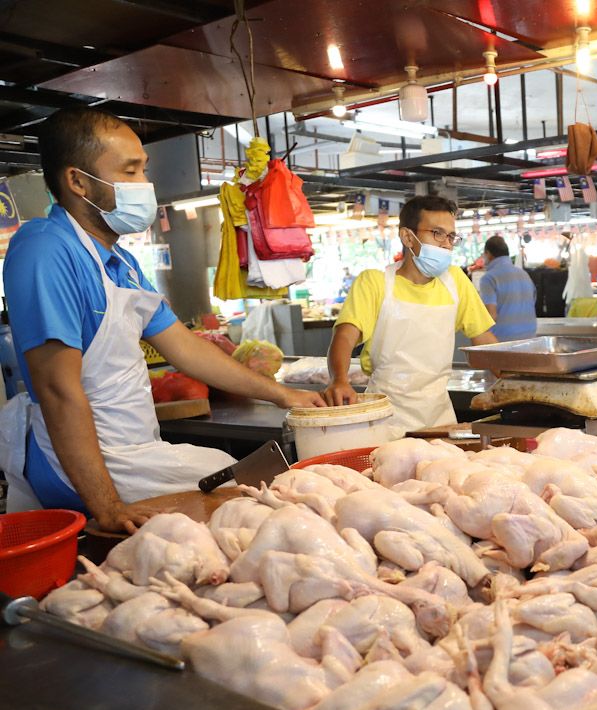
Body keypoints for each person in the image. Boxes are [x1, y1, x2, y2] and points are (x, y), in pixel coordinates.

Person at [0, 107, 322, 532]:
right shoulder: (45, 249)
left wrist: (281, 394)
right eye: (130, 171)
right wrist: (108, 507)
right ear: (77, 181)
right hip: (81, 465)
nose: (144, 186)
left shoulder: (122, 262)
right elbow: (58, 389)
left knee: (245, 481)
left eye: (143, 170)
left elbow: (185, 346)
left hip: (133, 452)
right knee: (248, 503)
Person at [323, 194, 497, 434]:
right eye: (437, 233)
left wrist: (517, 381)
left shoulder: (456, 281)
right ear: (407, 237)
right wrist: (339, 379)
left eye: (451, 236)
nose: (446, 244)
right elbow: (344, 336)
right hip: (384, 421)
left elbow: (485, 341)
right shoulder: (374, 283)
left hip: (440, 420)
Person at [477, 235, 536, 342]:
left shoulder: (489, 278)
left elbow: (491, 316)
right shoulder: (524, 274)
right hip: (530, 338)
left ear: (488, 254)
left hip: (504, 342)